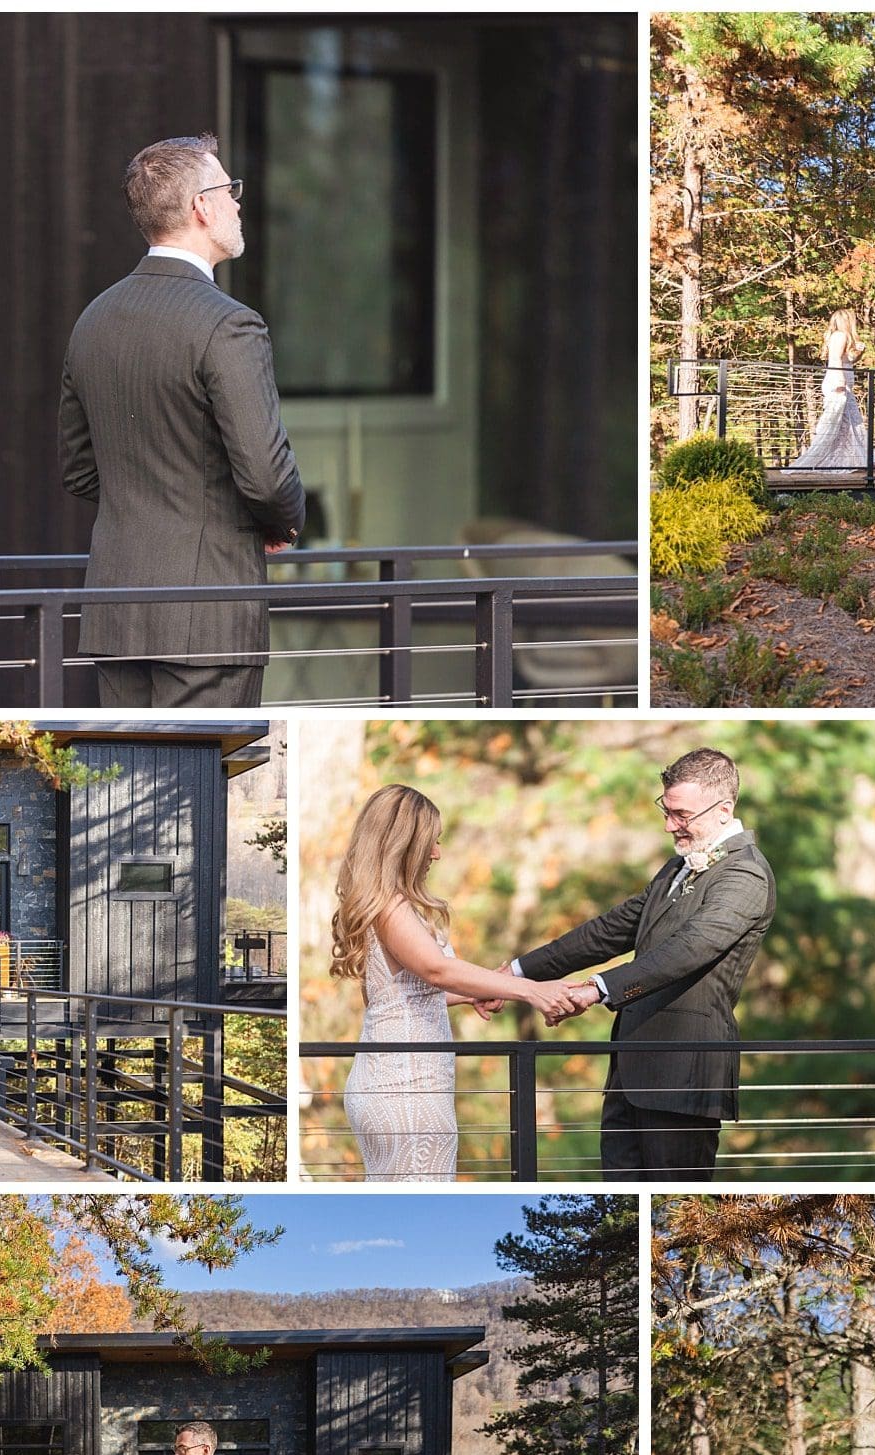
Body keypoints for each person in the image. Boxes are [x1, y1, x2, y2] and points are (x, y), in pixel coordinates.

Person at [59, 133, 306, 710]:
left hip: (118, 613)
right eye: (229, 190)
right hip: (210, 612)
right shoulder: (229, 325)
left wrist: (153, 503)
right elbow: (266, 475)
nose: (238, 203)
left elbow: (79, 470)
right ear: (201, 206)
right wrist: (282, 524)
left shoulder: (93, 321)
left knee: (129, 782)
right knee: (191, 782)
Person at [511, 746, 777, 1181]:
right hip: (628, 1070)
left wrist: (596, 989)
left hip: (683, 1074)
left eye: (682, 814)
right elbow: (608, 931)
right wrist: (514, 974)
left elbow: (690, 948)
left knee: (670, 1204)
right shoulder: (675, 869)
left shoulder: (745, 875)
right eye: (667, 811)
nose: (672, 825)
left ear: (724, 809)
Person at [329, 786, 583, 1181]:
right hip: (407, 1088)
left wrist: (473, 993)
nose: (437, 854)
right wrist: (532, 990)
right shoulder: (389, 906)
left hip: (387, 1079)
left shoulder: (377, 903)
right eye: (432, 842)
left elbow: (394, 997)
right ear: (404, 844)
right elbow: (436, 969)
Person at [788, 309, 872, 471]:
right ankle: (821, 461)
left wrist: (860, 352)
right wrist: (840, 381)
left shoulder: (842, 337)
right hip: (837, 384)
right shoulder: (840, 336)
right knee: (834, 423)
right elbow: (834, 359)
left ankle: (851, 460)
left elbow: (849, 360)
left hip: (844, 385)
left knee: (849, 424)